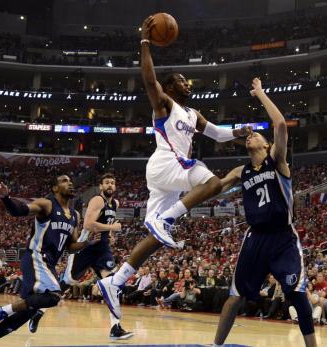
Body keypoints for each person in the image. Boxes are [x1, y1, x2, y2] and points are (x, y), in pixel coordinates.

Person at [96, 15, 251, 321]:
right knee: (212, 182)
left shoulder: (193, 113)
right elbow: (148, 79)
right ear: (169, 86)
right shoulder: (164, 103)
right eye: (181, 79)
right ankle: (166, 219)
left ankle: (114, 281)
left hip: (169, 177)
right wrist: (144, 41)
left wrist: (239, 132)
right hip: (166, 162)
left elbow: (218, 134)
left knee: (155, 239)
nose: (186, 82)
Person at [211, 78, 317, 347]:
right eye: (250, 135)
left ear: (267, 145)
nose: (251, 136)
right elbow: (215, 187)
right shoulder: (240, 171)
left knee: (296, 293)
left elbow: (280, 124)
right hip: (255, 238)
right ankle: (216, 345)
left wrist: (260, 93)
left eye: (256, 135)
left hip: (282, 238)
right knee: (235, 296)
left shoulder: (277, 161)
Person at [0, 175, 100, 347]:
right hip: (36, 257)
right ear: (54, 188)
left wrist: (87, 243)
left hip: (48, 263)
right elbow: (20, 210)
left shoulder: (75, 215)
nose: (70, 183)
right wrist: (6, 199)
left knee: (26, 312)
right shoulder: (47, 204)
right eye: (64, 181)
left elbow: (71, 246)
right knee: (53, 296)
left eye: (71, 181)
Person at [40, 173, 131, 340]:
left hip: (102, 249)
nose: (110, 185)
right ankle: (40, 309)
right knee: (66, 283)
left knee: (114, 285)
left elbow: (106, 223)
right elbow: (88, 224)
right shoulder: (97, 200)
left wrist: (110, 233)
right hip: (87, 247)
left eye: (112, 182)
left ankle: (115, 328)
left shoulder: (115, 203)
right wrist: (112, 226)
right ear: (101, 186)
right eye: (107, 183)